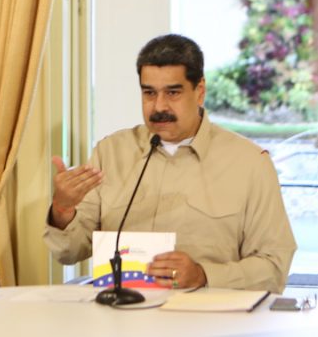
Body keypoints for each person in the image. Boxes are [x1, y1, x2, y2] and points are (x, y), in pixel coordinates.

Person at [43, 34, 296, 293]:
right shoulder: (110, 152)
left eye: (173, 93)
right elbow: (69, 252)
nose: (159, 106)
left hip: (209, 315)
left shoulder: (249, 163)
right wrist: (62, 209)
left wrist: (204, 275)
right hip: (120, 312)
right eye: (149, 93)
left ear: (200, 91)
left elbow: (274, 267)